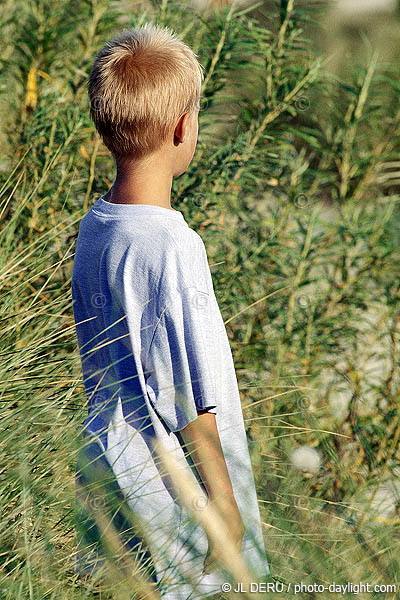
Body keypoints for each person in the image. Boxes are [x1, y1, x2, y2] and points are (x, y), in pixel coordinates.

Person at [71, 23, 270, 599]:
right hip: (173, 501)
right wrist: (224, 514)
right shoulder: (173, 245)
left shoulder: (96, 227)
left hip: (107, 473)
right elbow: (187, 396)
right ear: (184, 127)